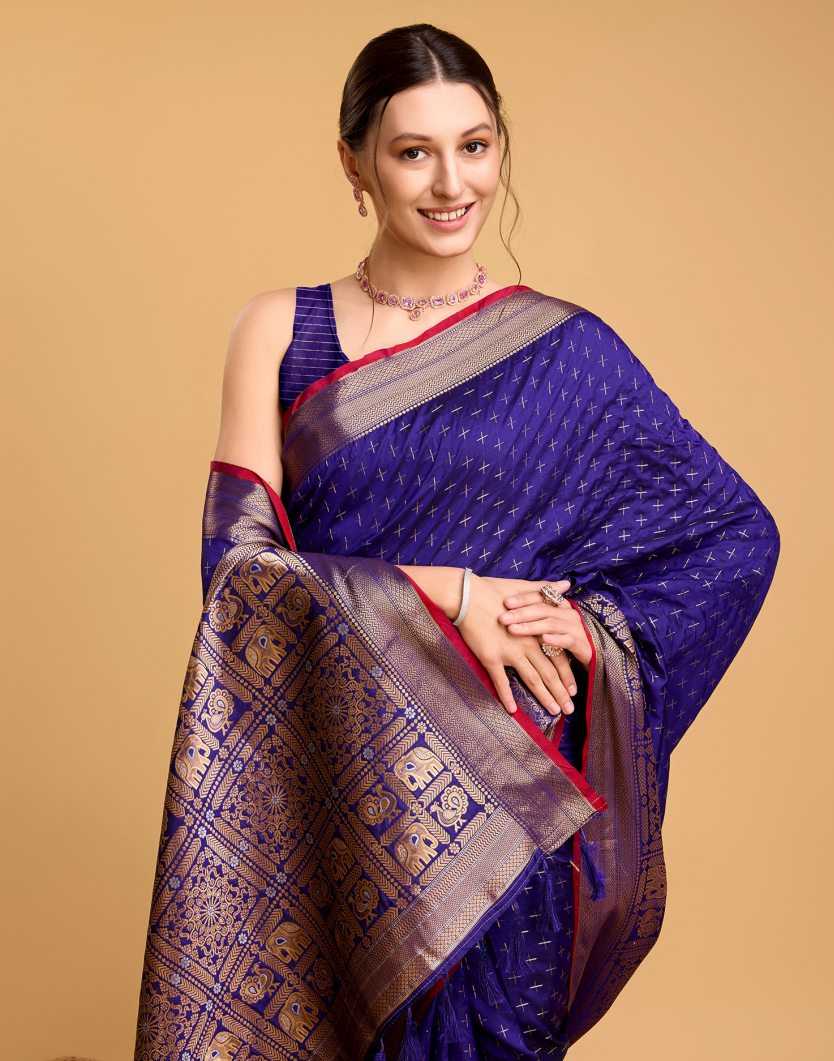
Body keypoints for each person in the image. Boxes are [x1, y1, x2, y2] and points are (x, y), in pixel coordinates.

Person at [134, 22, 780, 1061]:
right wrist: (455, 594)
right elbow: (238, 574)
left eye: (474, 147)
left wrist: (588, 630)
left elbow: (731, 536)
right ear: (354, 163)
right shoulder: (280, 330)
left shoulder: (569, 348)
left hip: (506, 794)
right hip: (338, 788)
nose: (451, 183)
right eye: (413, 151)